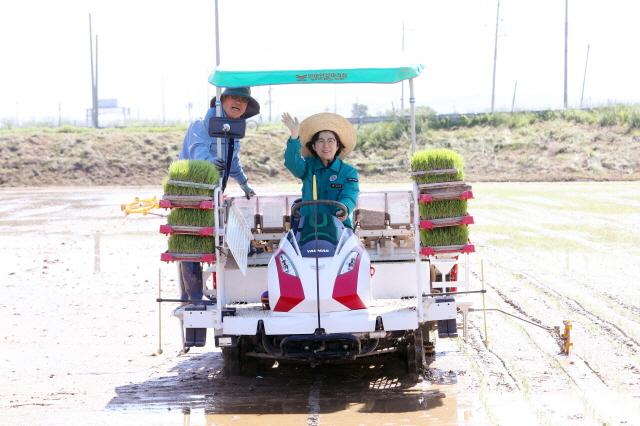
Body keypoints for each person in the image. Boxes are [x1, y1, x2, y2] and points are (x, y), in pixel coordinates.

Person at [178, 87, 260, 303]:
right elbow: (198, 152)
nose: (239, 103)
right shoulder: (201, 125)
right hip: (191, 194)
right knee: (190, 241)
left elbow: (232, 161)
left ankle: (210, 291)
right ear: (222, 100)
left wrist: (244, 184)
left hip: (214, 195)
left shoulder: (233, 132)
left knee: (211, 242)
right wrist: (210, 164)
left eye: (244, 100)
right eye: (234, 97)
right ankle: (193, 296)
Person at [281, 112, 359, 229]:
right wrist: (294, 136)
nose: (325, 145)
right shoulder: (308, 166)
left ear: (337, 145)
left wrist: (343, 209)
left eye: (331, 140)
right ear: (314, 146)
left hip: (339, 228)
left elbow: (349, 195)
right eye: (321, 141)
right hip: (309, 227)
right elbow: (291, 162)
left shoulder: (348, 172)